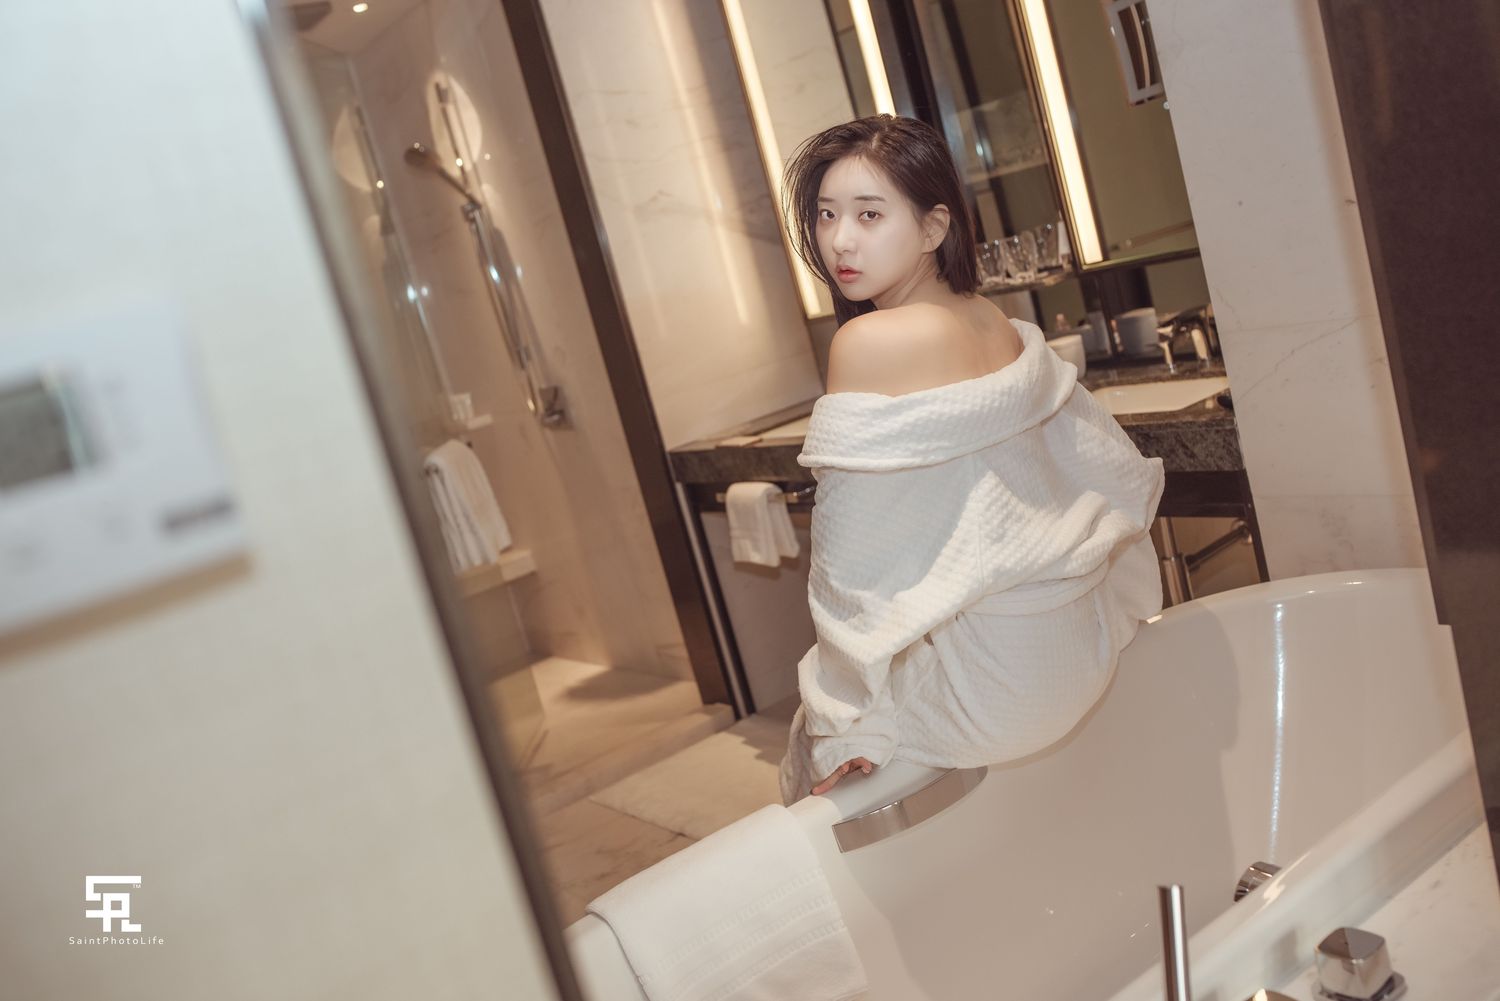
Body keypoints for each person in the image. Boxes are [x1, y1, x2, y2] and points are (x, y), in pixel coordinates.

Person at [777, 114, 1166, 805]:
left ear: (934, 228)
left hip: (1000, 686)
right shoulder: (994, 320)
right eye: (827, 214)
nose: (840, 240)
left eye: (870, 215)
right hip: (1076, 648)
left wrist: (841, 725)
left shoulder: (868, 343)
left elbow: (849, 570)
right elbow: (1094, 460)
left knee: (808, 743)